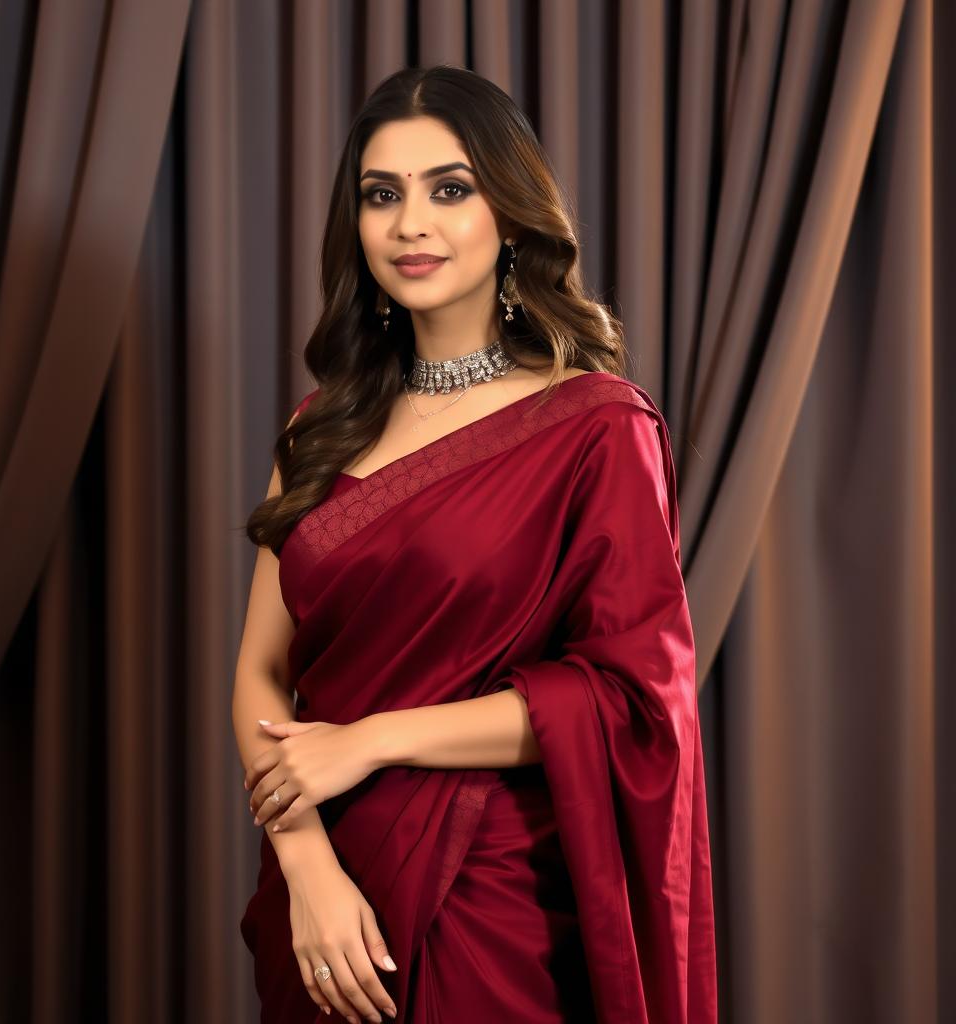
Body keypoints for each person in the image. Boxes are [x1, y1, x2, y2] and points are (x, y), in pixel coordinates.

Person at [231, 65, 717, 1023]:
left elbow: (627, 701)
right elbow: (257, 673)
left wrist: (370, 741)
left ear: (511, 212)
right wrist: (306, 869)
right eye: (383, 195)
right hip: (331, 898)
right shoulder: (318, 430)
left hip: (495, 898)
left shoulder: (594, 428)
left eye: (449, 188)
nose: (412, 224)